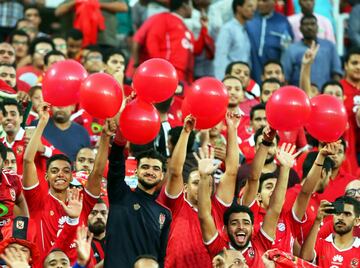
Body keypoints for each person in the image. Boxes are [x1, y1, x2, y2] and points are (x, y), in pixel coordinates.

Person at [22, 102, 114, 263]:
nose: (60, 175)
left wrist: (105, 137)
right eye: (54, 170)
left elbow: (98, 172)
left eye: (65, 171)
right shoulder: (37, 201)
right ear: (46, 176)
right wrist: (42, 122)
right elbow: (28, 160)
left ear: (72, 177)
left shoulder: (81, 202)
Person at [157, 113, 239, 267]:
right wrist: (186, 132)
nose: (203, 185)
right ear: (185, 188)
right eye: (197, 182)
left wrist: (232, 129)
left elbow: (232, 171)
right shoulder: (176, 205)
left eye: (208, 182)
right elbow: (175, 172)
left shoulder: (219, 208)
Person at [198, 141, 295, 266]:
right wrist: (204, 178)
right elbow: (204, 215)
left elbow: (274, 209)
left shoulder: (260, 244)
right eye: (234, 223)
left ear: (252, 227)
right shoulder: (219, 248)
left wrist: (285, 169)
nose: (241, 226)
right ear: (226, 230)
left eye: (246, 222)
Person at [104, 129, 171, 267]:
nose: (150, 172)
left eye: (156, 169)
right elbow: (116, 163)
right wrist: (121, 136)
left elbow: (162, 257)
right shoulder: (120, 194)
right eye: (145, 167)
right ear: (136, 171)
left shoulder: (164, 214)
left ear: (162, 175)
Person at [133, 0, 212, 84]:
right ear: (184, 5)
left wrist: (204, 28)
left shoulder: (186, 28)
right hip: (168, 75)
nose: (192, 9)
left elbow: (196, 50)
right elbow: (152, 41)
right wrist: (160, 68)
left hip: (186, 79)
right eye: (191, 5)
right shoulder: (164, 18)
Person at [282, 14, 342, 89]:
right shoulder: (291, 49)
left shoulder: (329, 46)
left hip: (324, 95)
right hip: (300, 95)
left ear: (317, 28)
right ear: (300, 28)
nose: (309, 27)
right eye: (306, 24)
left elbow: (336, 73)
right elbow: (285, 78)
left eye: (312, 24)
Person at [236, 127, 300, 197]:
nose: (266, 149)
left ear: (277, 148)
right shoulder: (243, 172)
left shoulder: (290, 174)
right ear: (254, 148)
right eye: (262, 144)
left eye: (271, 145)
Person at [0, 99, 55, 175]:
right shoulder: (1, 143)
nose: (8, 118)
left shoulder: (32, 138)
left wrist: (43, 149)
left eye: (13, 114)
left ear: (21, 118)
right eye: (5, 115)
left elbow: (62, 159)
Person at [300, 196, 360, 267]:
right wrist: (318, 220)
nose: (340, 218)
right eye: (337, 213)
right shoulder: (320, 243)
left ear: (356, 221)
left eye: (347, 214)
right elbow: (304, 258)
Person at [246, 0, 293, 83]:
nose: (261, 3)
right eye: (259, 1)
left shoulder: (283, 22)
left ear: (274, 2)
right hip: (251, 68)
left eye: (265, 1)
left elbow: (287, 50)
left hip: (273, 71)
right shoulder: (249, 19)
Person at [55, 0, 128, 48]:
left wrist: (96, 4)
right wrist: (77, 2)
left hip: (105, 41)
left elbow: (123, 7)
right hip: (78, 43)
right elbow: (58, 12)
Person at [214, 0, 255, 80]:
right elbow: (220, 57)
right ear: (239, 8)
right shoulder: (228, 29)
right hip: (230, 79)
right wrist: (222, 81)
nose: (253, 9)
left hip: (242, 79)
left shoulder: (245, 30)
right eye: (249, 6)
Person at [0, 142, 28, 239]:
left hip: (8, 240)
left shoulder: (13, 179)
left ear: (3, 161)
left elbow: (20, 202)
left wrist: (20, 235)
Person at [340, 48, 360, 169]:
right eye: (354, 63)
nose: (358, 67)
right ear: (346, 66)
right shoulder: (337, 89)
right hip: (346, 150)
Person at [88, 199, 108, 266]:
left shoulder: (117, 242)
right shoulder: (80, 245)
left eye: (103, 213)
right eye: (93, 213)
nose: (99, 217)